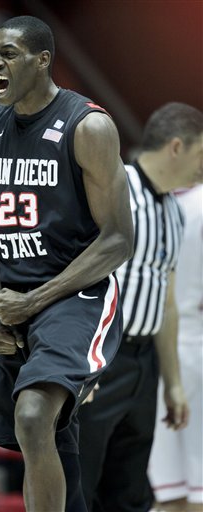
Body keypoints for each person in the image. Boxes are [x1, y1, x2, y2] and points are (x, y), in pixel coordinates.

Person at [0, 15, 134, 512]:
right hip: (15, 299)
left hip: (73, 298)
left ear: (42, 60)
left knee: (31, 417)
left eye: (9, 54)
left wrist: (34, 301)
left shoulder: (89, 126)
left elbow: (118, 240)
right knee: (50, 446)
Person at [78, 102, 203, 512]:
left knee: (130, 492)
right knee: (80, 486)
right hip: (100, 360)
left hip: (143, 363)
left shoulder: (174, 211)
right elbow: (73, 276)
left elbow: (165, 304)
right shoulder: (115, 188)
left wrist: (172, 383)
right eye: (201, 155)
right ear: (176, 147)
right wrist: (76, 362)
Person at [148, 183, 203, 512]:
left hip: (156, 345)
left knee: (167, 491)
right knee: (193, 489)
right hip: (191, 340)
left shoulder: (149, 199)